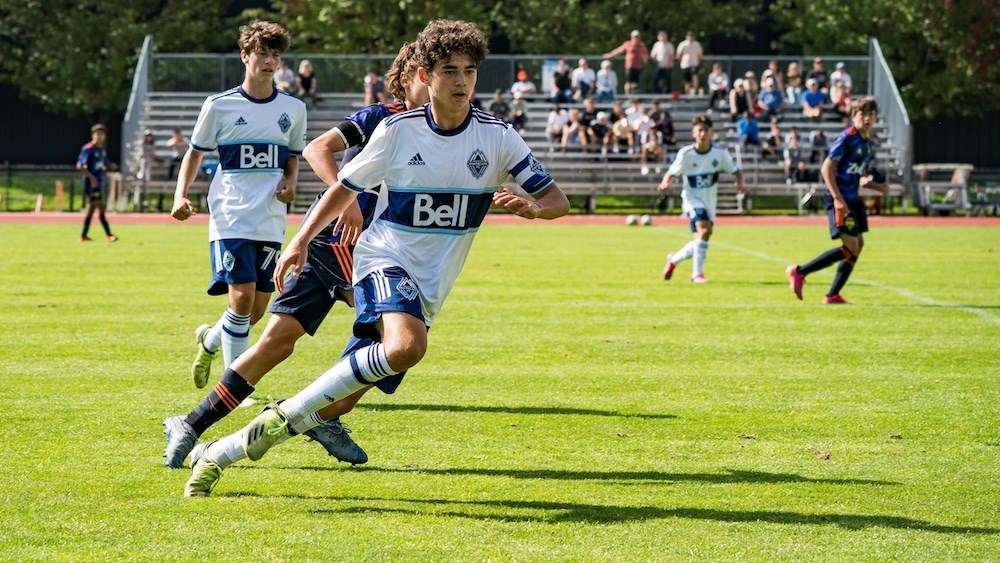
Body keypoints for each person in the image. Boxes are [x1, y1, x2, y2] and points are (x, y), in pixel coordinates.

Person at [183, 19, 570, 497]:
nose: (462, 81)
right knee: (406, 346)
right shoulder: (396, 129)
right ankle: (235, 420)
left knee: (345, 400)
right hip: (381, 256)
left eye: (470, 70)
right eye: (449, 70)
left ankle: (235, 445)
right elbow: (343, 187)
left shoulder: (498, 137)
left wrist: (534, 208)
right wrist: (301, 240)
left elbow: (558, 199)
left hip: (432, 281)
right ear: (426, 75)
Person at [163, 41, 430, 471]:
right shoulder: (379, 116)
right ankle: (321, 415)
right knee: (396, 333)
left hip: (372, 246)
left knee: (285, 342)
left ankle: (193, 423)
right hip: (339, 241)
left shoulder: (435, 129)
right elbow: (316, 149)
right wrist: (348, 200)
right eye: (432, 72)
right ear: (412, 77)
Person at [169, 20, 306, 391]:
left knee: (256, 309)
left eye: (275, 54)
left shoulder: (293, 109)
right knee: (242, 299)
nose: (269, 60)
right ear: (245, 56)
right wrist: (181, 195)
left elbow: (292, 157)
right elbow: (194, 154)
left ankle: (210, 341)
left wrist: (290, 182)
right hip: (230, 215)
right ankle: (234, 389)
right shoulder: (219, 105)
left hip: (270, 219)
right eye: (262, 53)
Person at [786, 97, 889, 304]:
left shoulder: (868, 144)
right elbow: (827, 168)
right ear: (854, 116)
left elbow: (855, 174)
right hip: (839, 198)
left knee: (858, 245)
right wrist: (837, 199)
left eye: (871, 114)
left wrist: (876, 186)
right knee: (851, 245)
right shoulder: (847, 138)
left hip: (853, 198)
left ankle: (832, 294)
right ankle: (800, 271)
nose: (867, 118)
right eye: (862, 114)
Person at [658, 115, 743, 283]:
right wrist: (665, 182)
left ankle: (673, 260)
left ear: (711, 132)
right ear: (693, 133)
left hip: (709, 200)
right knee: (703, 231)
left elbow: (736, 171)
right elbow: (672, 171)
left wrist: (739, 184)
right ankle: (697, 274)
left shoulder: (719, 153)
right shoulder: (686, 154)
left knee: (703, 236)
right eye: (699, 130)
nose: (702, 134)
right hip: (692, 199)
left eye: (706, 130)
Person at [76, 124, 117, 242]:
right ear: (93, 135)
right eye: (98, 134)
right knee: (101, 206)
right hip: (91, 184)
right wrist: (92, 178)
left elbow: (104, 165)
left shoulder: (101, 150)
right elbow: (80, 166)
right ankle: (109, 235)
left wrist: (110, 166)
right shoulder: (88, 149)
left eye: (102, 134)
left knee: (91, 210)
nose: (100, 137)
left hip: (99, 182)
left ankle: (83, 235)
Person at [603, 30, 648, 96]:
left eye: (637, 36)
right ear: (632, 37)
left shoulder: (641, 45)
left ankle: (634, 97)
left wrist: (645, 60)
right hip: (629, 66)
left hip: (637, 67)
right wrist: (610, 55)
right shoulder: (628, 44)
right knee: (628, 82)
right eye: (635, 36)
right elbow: (619, 51)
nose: (636, 38)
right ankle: (627, 96)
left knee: (635, 84)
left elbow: (645, 54)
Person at [675, 31, 703, 95]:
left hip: (694, 64)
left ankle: (695, 92)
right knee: (687, 81)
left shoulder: (696, 44)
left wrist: (698, 61)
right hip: (685, 65)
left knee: (695, 77)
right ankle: (687, 94)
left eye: (691, 36)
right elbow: (678, 54)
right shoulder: (683, 44)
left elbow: (700, 54)